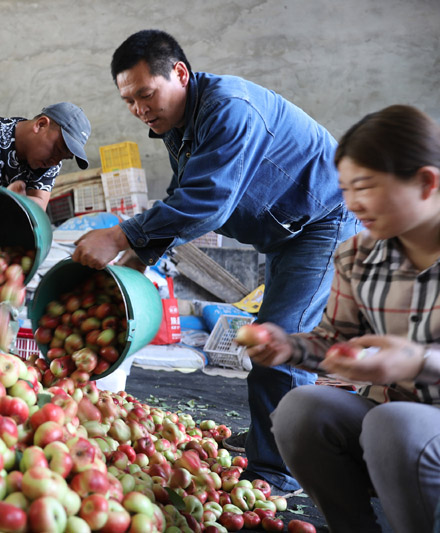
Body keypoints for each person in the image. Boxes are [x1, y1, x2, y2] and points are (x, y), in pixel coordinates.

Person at [72, 29, 359, 491]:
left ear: (179, 74)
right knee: (271, 339)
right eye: (129, 101)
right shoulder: (177, 123)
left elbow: (208, 202)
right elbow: (183, 195)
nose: (140, 109)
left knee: (278, 344)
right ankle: (273, 437)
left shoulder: (229, 108)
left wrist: (121, 232)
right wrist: (142, 255)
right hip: (286, 231)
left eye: (146, 94)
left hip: (323, 222)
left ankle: (281, 471)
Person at [246, 105, 440, 533]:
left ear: (426, 183)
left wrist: (416, 362)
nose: (352, 203)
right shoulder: (358, 255)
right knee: (301, 408)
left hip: (408, 427)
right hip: (389, 423)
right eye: (346, 188)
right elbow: (333, 338)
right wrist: (288, 346)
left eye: (366, 187)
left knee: (394, 424)